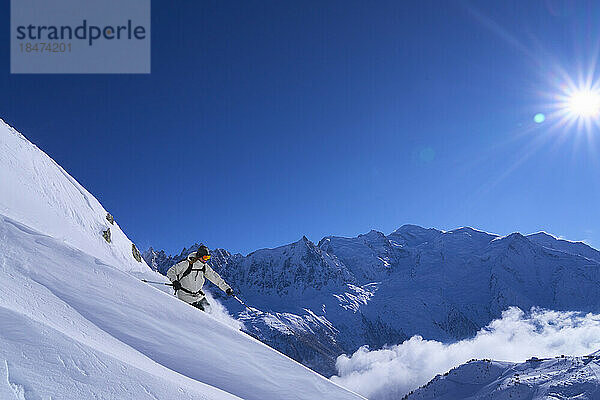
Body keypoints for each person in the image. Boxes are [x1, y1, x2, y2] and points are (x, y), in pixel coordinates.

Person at [166, 245, 234, 311]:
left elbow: (215, 278)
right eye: (205, 258)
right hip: (185, 296)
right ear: (199, 256)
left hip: (198, 295)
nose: (206, 260)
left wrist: (226, 288)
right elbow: (171, 271)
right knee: (202, 314)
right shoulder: (187, 264)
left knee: (209, 310)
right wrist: (175, 281)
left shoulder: (204, 267)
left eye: (208, 258)